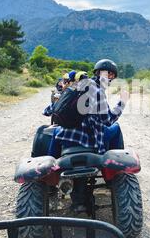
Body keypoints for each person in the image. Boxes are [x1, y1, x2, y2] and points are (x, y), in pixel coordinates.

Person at [50, 59, 129, 212]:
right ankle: (114, 175)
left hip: (66, 137)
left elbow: (51, 109)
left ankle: (51, 175)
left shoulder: (77, 85)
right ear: (103, 75)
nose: (109, 77)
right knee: (116, 127)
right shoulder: (98, 90)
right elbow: (107, 120)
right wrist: (122, 102)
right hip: (90, 139)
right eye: (109, 74)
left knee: (53, 131)